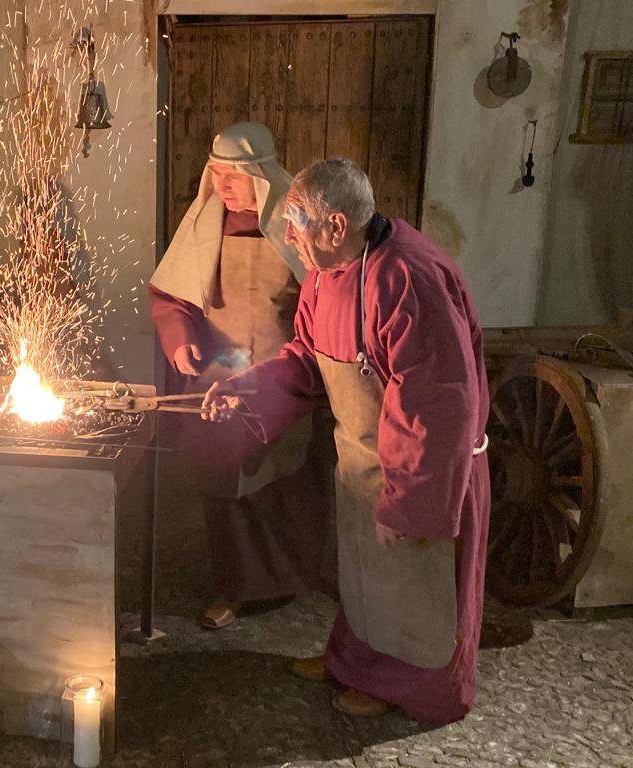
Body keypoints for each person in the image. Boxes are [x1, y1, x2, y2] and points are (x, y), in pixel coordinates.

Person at [203, 158, 490, 722]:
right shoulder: (327, 273)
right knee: (364, 578)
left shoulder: (409, 278)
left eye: (298, 220)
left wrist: (410, 501)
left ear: (337, 226)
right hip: (362, 460)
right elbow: (307, 358)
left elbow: (438, 404)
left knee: (412, 585)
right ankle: (357, 664)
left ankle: (409, 689)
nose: (286, 233)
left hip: (422, 465)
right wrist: (248, 390)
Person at [148, 122, 332, 630]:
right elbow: (172, 298)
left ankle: (288, 578)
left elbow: (326, 296)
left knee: (282, 480)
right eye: (218, 175)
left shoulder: (297, 228)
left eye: (235, 176)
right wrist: (179, 336)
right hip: (219, 375)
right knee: (227, 483)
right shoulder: (205, 226)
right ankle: (235, 587)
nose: (224, 186)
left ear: (263, 177)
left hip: (283, 373)